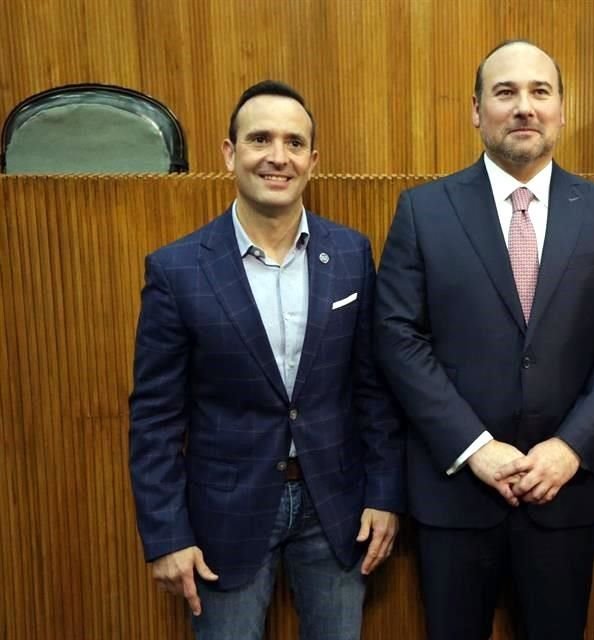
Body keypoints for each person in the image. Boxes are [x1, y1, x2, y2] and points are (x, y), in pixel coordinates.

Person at [375, 40, 594, 640]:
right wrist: (475, 447)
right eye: (505, 92)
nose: (524, 106)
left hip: (566, 492)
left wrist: (571, 447)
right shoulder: (424, 211)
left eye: (539, 92)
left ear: (561, 109)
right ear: (476, 110)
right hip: (455, 493)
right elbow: (397, 338)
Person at [128, 80, 404, 640]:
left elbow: (372, 389)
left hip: (337, 509)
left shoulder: (351, 255)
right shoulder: (177, 270)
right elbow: (155, 418)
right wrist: (166, 535)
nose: (278, 157)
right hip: (222, 516)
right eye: (260, 139)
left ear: (312, 160)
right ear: (229, 153)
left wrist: (383, 494)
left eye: (294, 143)